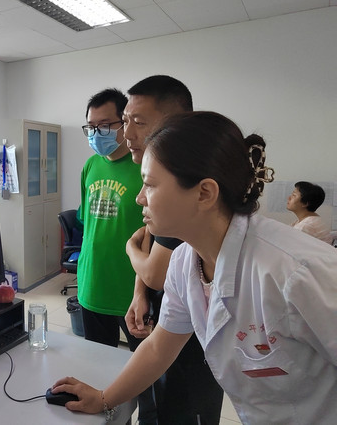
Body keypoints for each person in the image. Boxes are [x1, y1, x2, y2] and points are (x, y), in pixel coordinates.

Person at [53, 111, 337, 424]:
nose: (139, 198)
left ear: (204, 193)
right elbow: (160, 347)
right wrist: (104, 398)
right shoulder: (184, 262)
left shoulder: (299, 272)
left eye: (149, 185)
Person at [123, 75, 223, 424]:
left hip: (194, 350)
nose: (127, 133)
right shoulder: (182, 257)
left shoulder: (284, 271)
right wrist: (140, 293)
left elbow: (154, 268)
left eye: (139, 122)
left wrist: (129, 248)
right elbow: (152, 247)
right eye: (125, 121)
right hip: (169, 322)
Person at [76, 88, 155, 423]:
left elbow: (155, 235)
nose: (97, 133)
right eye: (91, 127)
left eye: (106, 125)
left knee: (145, 378)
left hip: (133, 292)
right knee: (98, 371)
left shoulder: (146, 167)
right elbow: (88, 225)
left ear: (124, 123)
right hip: (92, 285)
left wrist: (144, 289)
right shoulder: (90, 166)